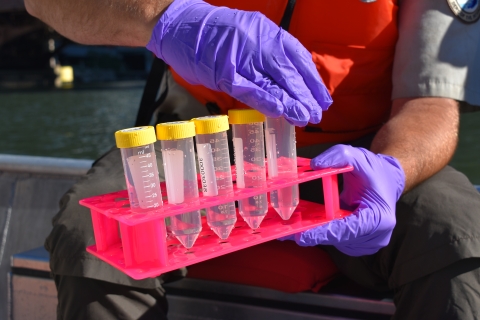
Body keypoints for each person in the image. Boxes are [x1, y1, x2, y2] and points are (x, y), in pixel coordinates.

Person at [25, 0, 480, 319]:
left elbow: (431, 103)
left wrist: (392, 169)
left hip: (358, 152)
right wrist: (166, 18)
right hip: (201, 141)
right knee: (97, 234)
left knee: (454, 229)